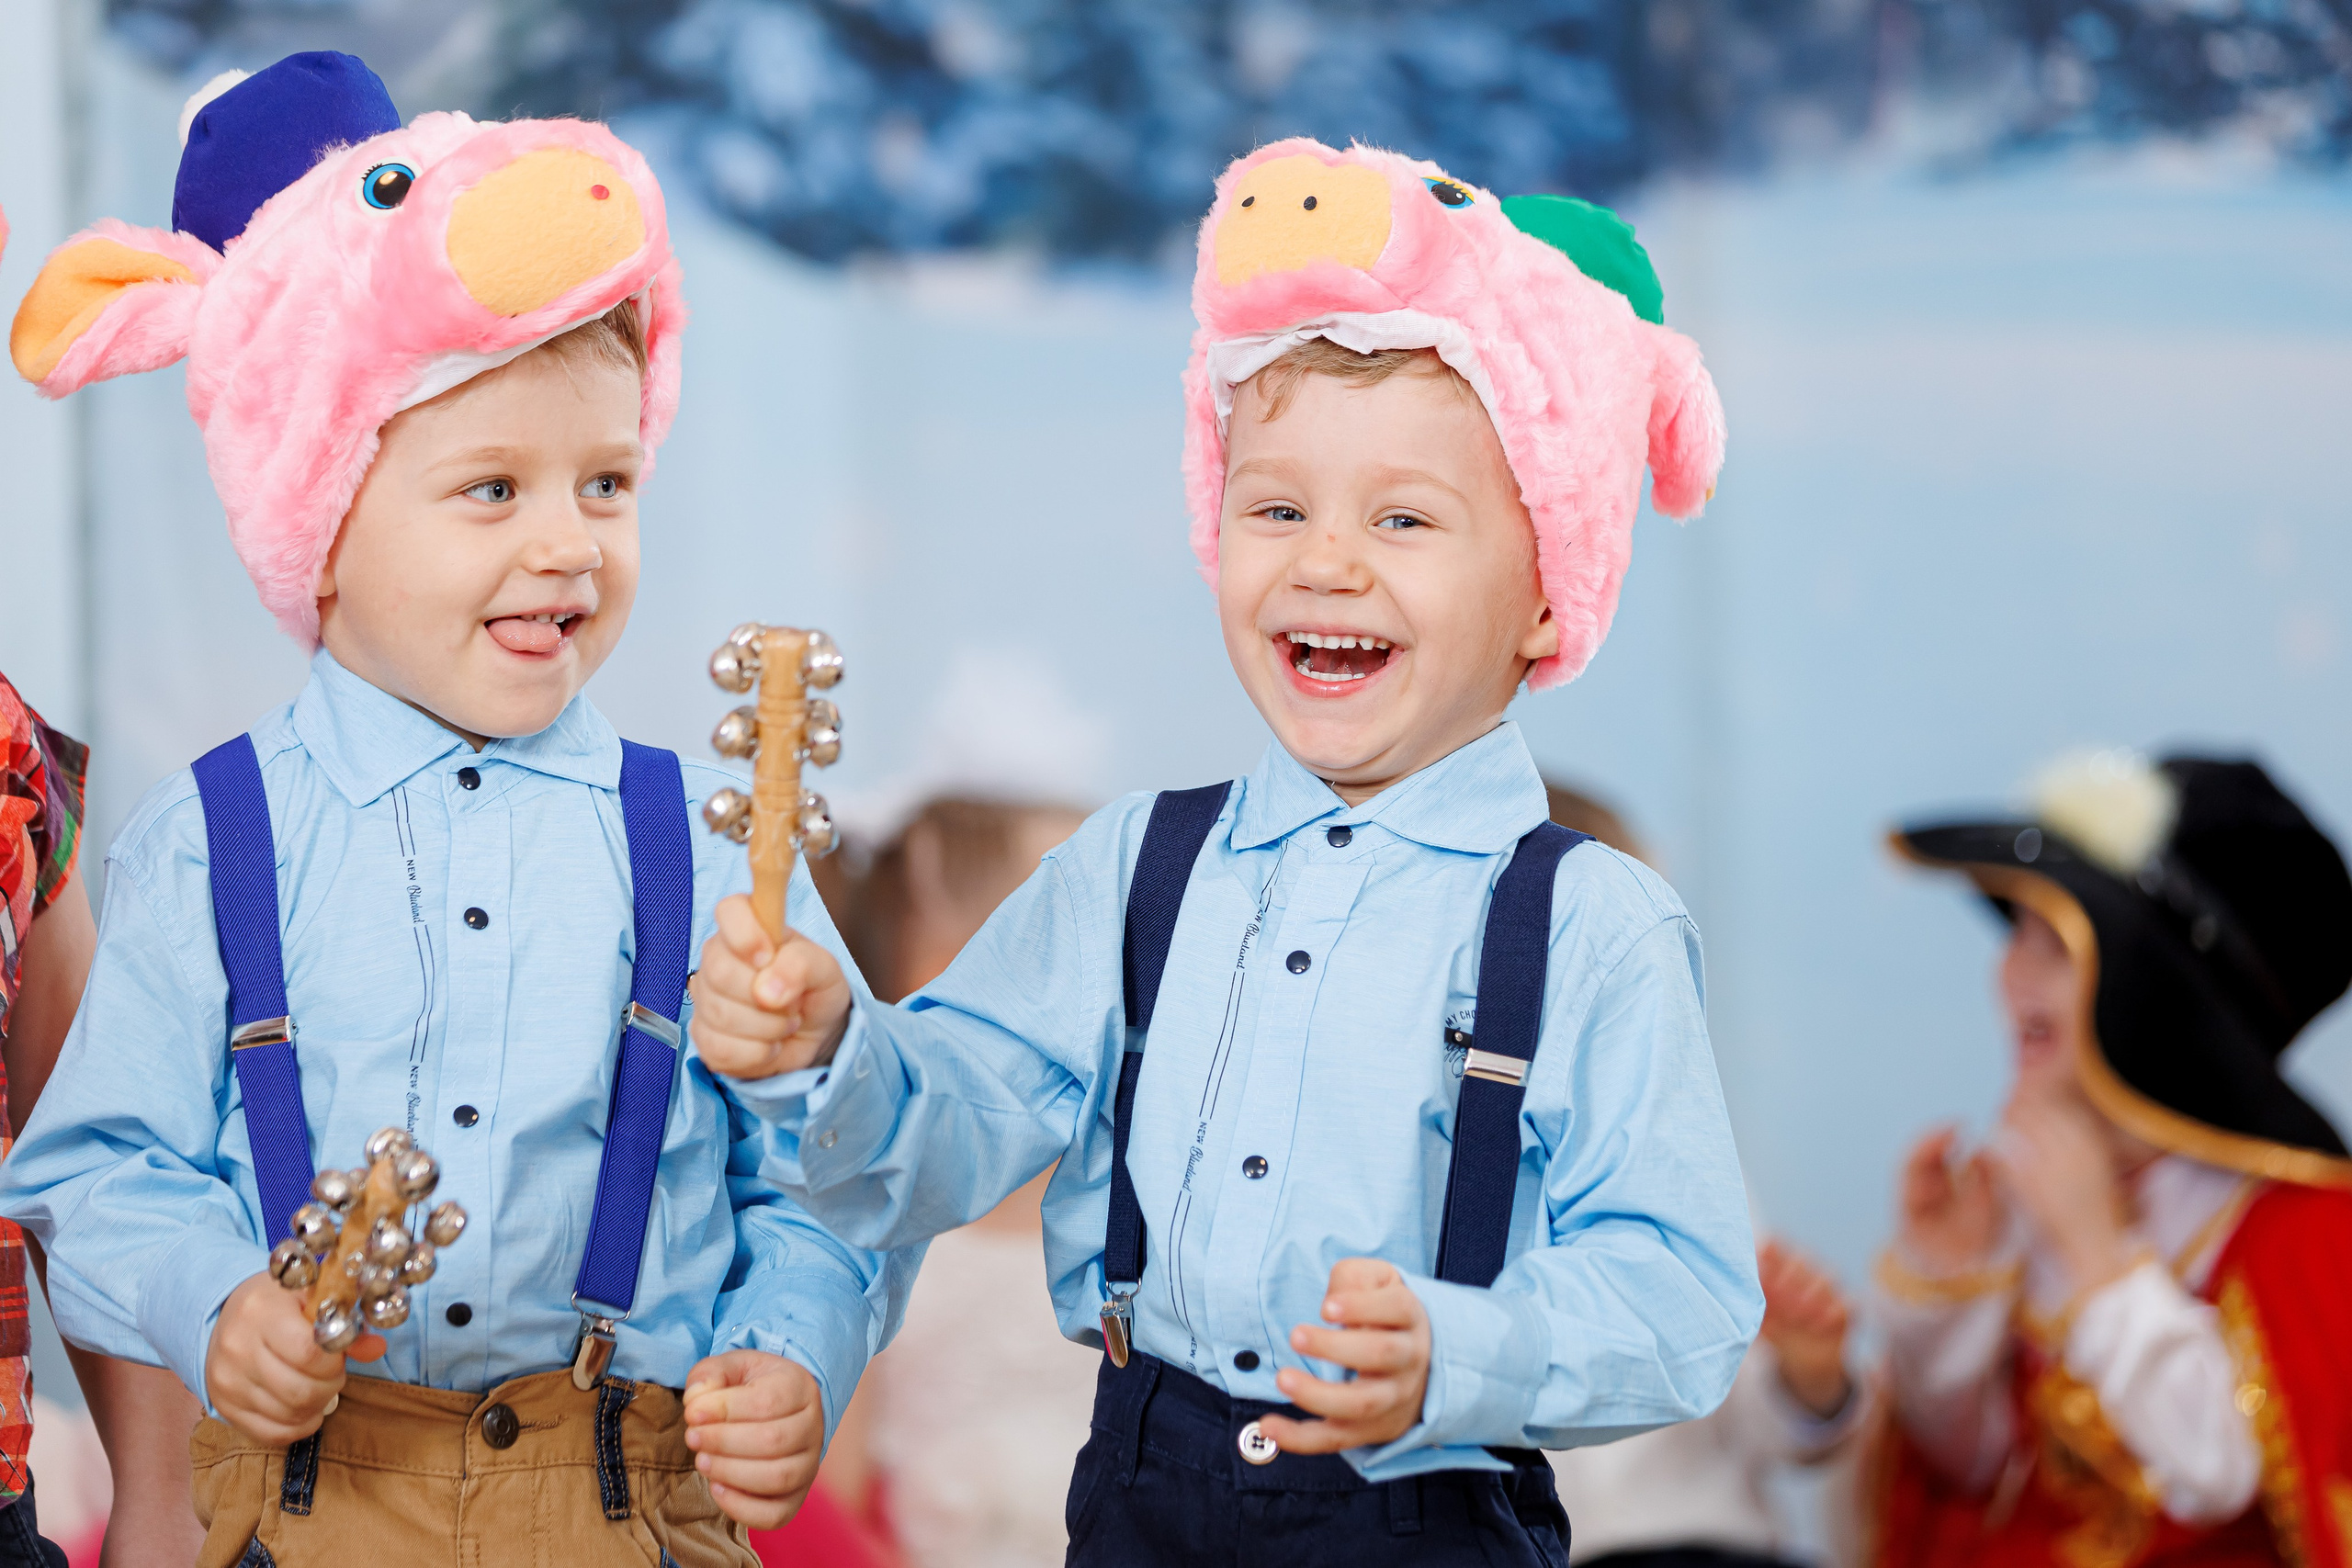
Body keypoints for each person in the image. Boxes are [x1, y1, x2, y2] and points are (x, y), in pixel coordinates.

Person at [693, 138, 1757, 1567]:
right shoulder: (1141, 864)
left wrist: (1466, 1348)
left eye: (1403, 517)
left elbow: (1681, 1288)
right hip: (1142, 1474)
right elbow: (949, 1120)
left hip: (1424, 1509)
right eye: (1276, 508)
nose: (1326, 560)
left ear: (1546, 595)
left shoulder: (1591, 926)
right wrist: (839, 1046)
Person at [0, 52, 902, 1567]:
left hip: (633, 1504)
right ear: (322, 515)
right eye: (494, 491)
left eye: (607, 485)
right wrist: (216, 1307)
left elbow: (835, 1167)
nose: (569, 545)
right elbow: (96, 1171)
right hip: (300, 1506)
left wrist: (797, 1348)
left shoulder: (706, 846)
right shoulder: (213, 842)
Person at [1876, 749, 2352, 1567]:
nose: (2008, 972)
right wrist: (1951, 1286)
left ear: (2164, 998)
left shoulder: (2308, 1229)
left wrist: (2101, 1259)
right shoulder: (2036, 1179)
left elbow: (2220, 1477)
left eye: (2053, 947)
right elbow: (1979, 1470)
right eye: (2016, 933)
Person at [1534, 784, 1873, 1568]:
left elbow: (1763, 1424)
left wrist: (1805, 1375)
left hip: (1708, 1543)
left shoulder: (1677, 1148)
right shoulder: (1398, 1162)